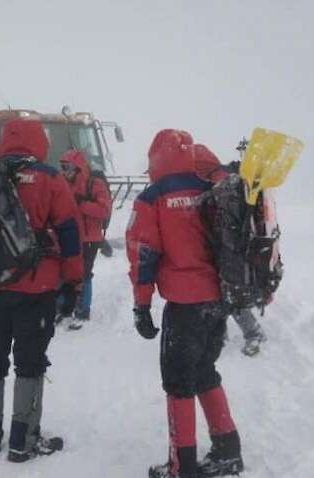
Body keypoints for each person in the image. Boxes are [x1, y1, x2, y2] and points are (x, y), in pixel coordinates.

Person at [127, 130, 244, 478]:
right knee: (205, 372)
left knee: (179, 383)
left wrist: (141, 305)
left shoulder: (154, 197)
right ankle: (228, 450)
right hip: (218, 299)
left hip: (183, 303)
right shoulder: (212, 187)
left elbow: (143, 255)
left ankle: (182, 466)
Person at [0, 118, 84, 463]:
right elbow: (70, 234)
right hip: (36, 287)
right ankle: (23, 439)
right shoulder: (50, 178)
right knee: (30, 361)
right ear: (39, 142)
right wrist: (74, 282)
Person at [193, 143, 267, 357]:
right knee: (221, 292)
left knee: (232, 294)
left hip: (233, 248)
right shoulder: (220, 179)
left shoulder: (226, 182)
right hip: (224, 247)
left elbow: (229, 219)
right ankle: (220, 334)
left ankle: (254, 334)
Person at [59, 149, 112, 330]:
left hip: (89, 238)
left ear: (78, 167)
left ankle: (82, 311)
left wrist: (82, 204)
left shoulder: (94, 183)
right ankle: (63, 309)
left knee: (84, 274)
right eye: (62, 167)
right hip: (69, 235)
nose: (64, 171)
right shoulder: (64, 183)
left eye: (67, 167)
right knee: (65, 272)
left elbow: (104, 210)